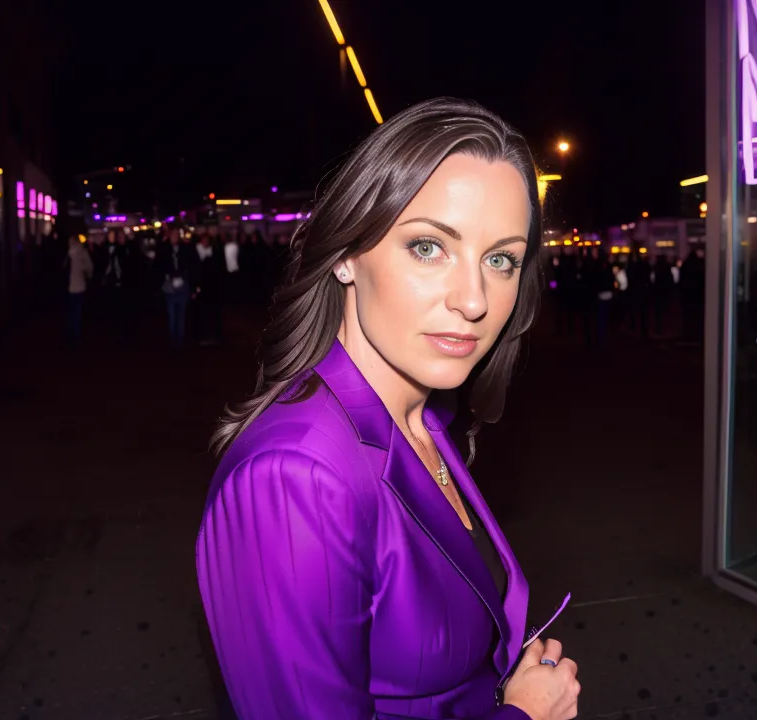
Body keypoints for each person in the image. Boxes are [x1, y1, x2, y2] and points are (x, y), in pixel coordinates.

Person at [196, 98, 581, 720]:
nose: (475, 299)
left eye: (501, 259)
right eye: (429, 247)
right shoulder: (293, 476)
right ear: (347, 253)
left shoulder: (426, 420)